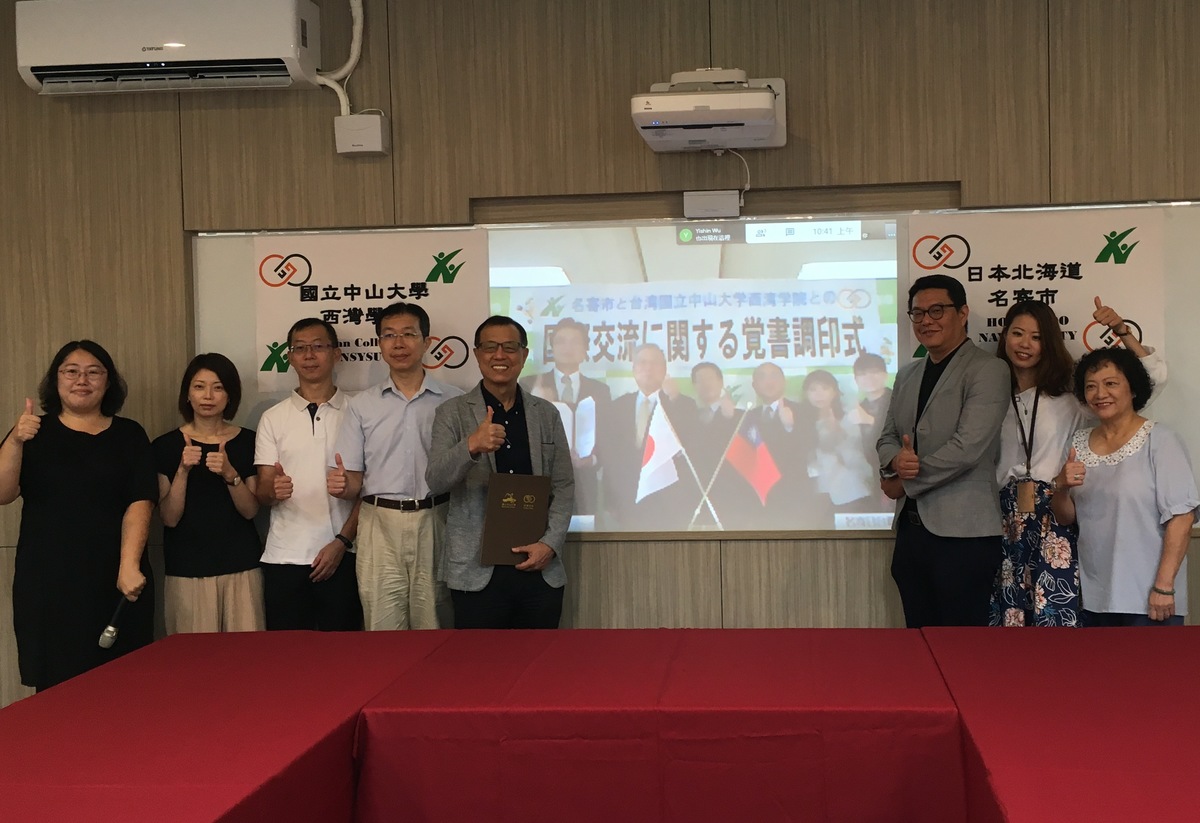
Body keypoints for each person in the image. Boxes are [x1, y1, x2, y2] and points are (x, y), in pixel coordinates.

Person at [989, 298, 1166, 627]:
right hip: (1006, 517)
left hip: (1055, 511)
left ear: (1050, 343)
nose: (1025, 344)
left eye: (1037, 337)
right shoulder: (990, 393)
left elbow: (1150, 380)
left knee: (1057, 613)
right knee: (1011, 617)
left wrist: (1120, 330)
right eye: (1017, 333)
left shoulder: (1069, 393)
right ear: (1004, 337)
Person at [0, 341, 155, 690]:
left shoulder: (129, 434)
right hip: (48, 581)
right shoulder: (32, 432)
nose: (81, 380)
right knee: (56, 686)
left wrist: (129, 565)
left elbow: (141, 500)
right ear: (55, 380)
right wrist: (15, 441)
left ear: (108, 381)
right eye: (71, 371)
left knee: (124, 683)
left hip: (115, 576)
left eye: (93, 371)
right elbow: (3, 494)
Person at [877, 274, 1009, 628]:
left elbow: (968, 448)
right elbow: (887, 436)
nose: (926, 321)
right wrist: (894, 461)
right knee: (917, 639)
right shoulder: (907, 374)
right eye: (917, 313)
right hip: (911, 533)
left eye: (937, 310)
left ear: (963, 313)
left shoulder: (989, 370)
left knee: (961, 649)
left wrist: (904, 482)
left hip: (964, 536)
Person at [426, 316, 574, 629]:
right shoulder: (451, 413)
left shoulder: (546, 414)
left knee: (538, 664)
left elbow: (563, 485)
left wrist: (550, 544)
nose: (500, 355)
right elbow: (436, 481)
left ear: (523, 354)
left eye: (509, 347)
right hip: (475, 569)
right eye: (491, 347)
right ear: (478, 354)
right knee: (480, 669)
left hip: (538, 566)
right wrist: (472, 446)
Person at [327, 302, 463, 630]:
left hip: (436, 518)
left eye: (408, 335)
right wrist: (343, 486)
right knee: (381, 623)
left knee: (434, 620)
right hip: (377, 523)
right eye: (389, 336)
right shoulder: (361, 406)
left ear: (427, 341)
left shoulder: (454, 401)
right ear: (379, 344)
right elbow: (355, 480)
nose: (398, 343)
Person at [1050, 348, 1197, 626]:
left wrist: (1164, 586)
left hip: (1151, 599)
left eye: (1111, 383)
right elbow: (1065, 517)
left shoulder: (1161, 440)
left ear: (1133, 388)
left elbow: (1182, 517)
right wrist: (1061, 487)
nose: (1100, 393)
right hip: (1094, 597)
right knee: (1098, 670)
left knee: (1153, 670)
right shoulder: (1077, 443)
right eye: (1090, 386)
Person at [254, 318, 362, 631]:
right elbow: (262, 491)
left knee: (342, 658)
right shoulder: (273, 418)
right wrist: (274, 490)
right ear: (289, 357)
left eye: (318, 346)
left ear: (337, 354)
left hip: (343, 554)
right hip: (284, 559)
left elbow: (370, 493)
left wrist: (341, 542)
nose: (309, 355)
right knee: (287, 660)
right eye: (300, 348)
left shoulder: (358, 412)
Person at [152, 353, 263, 634]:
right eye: (199, 386)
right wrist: (182, 471)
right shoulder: (165, 445)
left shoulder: (249, 441)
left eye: (218, 387)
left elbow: (251, 511)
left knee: (245, 660)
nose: (208, 396)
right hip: (187, 569)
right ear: (187, 394)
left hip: (241, 566)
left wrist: (230, 474)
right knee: (193, 664)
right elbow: (169, 518)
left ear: (230, 395)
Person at [596, 343, 698, 531]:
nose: (648, 368)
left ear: (664, 370)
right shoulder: (617, 407)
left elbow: (689, 448)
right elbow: (609, 458)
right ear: (634, 370)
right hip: (626, 503)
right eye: (642, 363)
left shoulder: (684, 405)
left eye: (655, 363)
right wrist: (610, 500)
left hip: (671, 504)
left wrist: (674, 400)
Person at [521, 317, 609, 515]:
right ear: (551, 347)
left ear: (586, 348)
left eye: (575, 341)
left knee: (585, 544)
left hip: (584, 486)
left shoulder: (600, 390)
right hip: (541, 483)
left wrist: (592, 460)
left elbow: (608, 438)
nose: (567, 347)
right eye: (561, 341)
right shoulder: (529, 385)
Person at [736, 361, 817, 528]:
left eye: (774, 375)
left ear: (784, 380)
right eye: (762, 377)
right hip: (759, 500)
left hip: (794, 496)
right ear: (754, 385)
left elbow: (810, 446)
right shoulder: (748, 417)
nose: (769, 381)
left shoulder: (803, 410)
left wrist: (789, 426)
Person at [801, 369, 875, 517]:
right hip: (817, 495)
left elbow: (857, 458)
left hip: (851, 491)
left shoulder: (849, 417)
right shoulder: (802, 422)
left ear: (834, 392)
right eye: (813, 389)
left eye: (824, 388)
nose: (819, 394)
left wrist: (837, 432)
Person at [852, 352, 892, 467]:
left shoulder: (899, 399)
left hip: (895, 469)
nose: (869, 378)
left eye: (875, 372)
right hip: (872, 468)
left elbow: (904, 434)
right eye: (863, 374)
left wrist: (870, 420)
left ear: (885, 375)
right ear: (856, 379)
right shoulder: (861, 406)